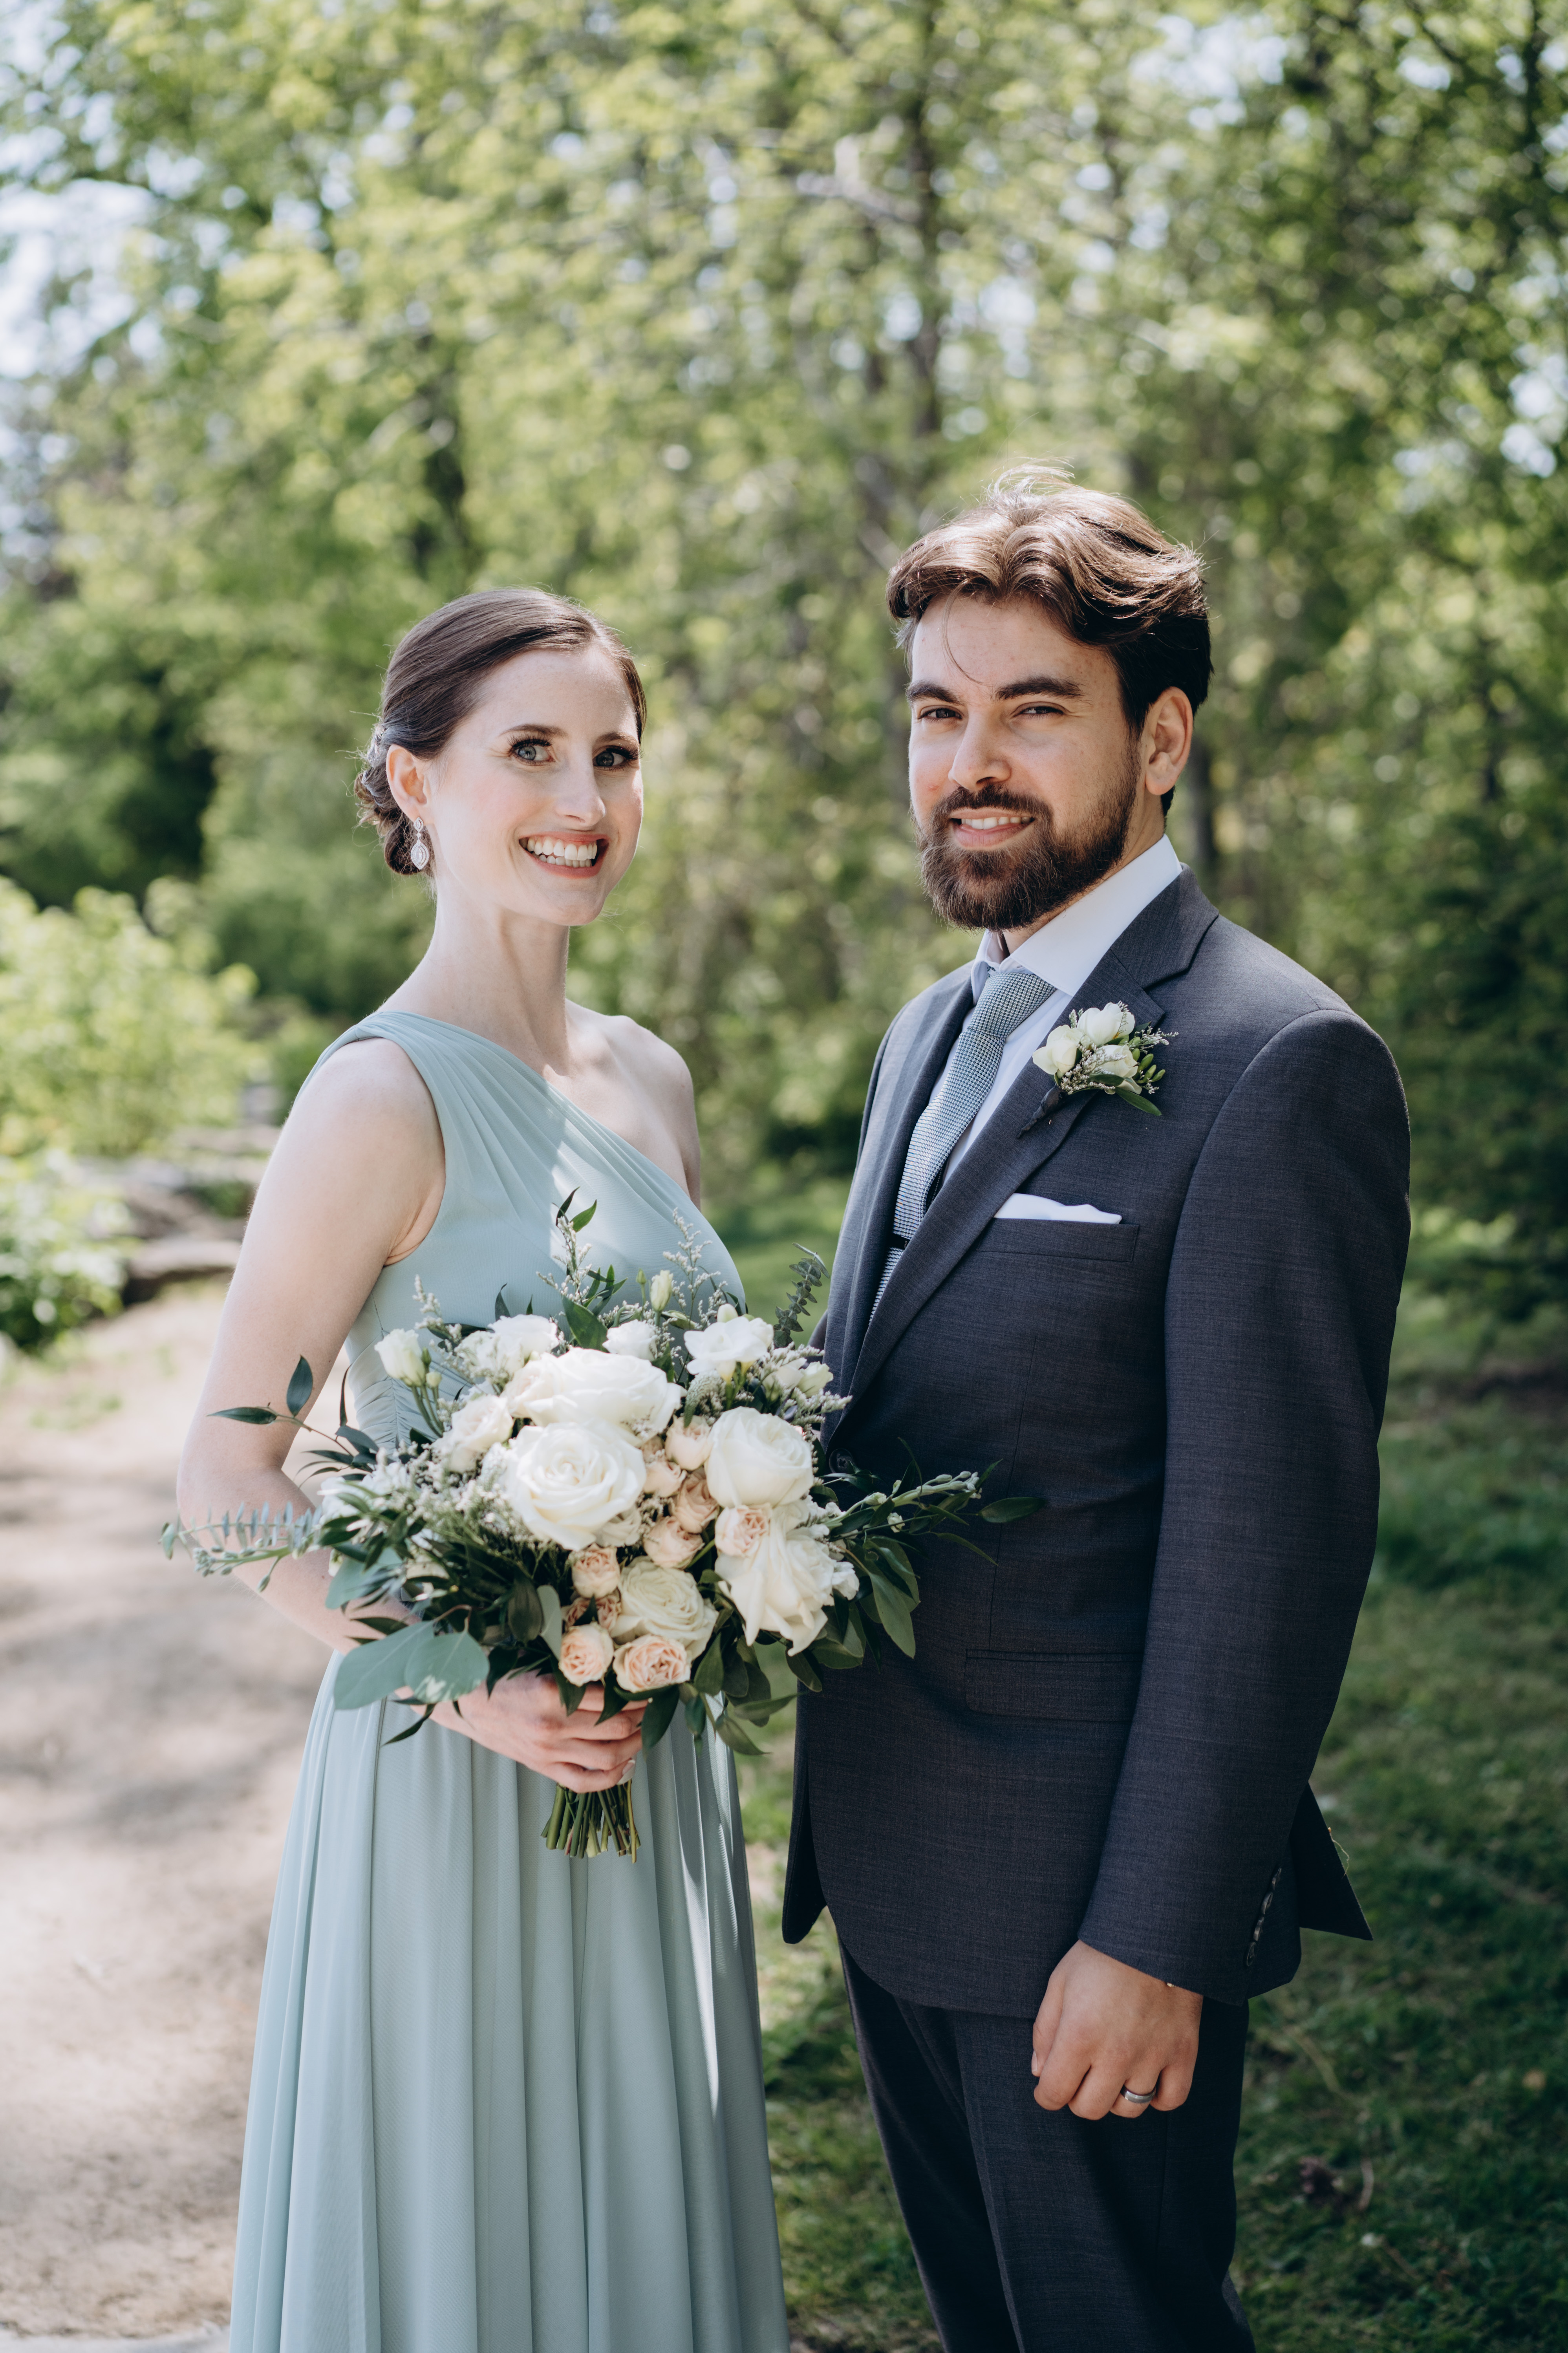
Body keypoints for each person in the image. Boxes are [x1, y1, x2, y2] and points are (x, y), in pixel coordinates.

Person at [782, 473, 1410, 2352]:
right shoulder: (927, 1031)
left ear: (1162, 742)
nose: (968, 764)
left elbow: (1265, 1558)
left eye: (1032, 711)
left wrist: (1156, 1934)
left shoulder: (1276, 1059)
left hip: (1084, 1914)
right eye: (936, 712)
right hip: (895, 1869)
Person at [178, 589, 789, 2353]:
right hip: (452, 1772)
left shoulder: (652, 1077)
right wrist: (463, 1683)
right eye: (530, 750)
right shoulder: (379, 1097)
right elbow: (223, 1471)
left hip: (647, 1760)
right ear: (414, 783)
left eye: (613, 754)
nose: (584, 798)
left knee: (639, 2201)